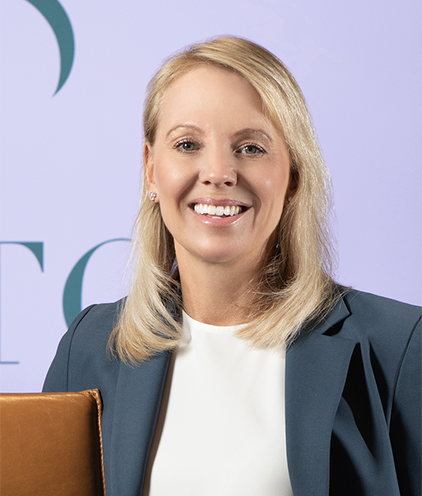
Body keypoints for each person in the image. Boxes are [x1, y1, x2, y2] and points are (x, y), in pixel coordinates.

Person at [43, 36, 422, 496]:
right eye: (187, 144)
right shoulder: (88, 347)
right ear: (150, 169)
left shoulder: (400, 346)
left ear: (293, 173)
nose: (218, 172)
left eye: (251, 148)